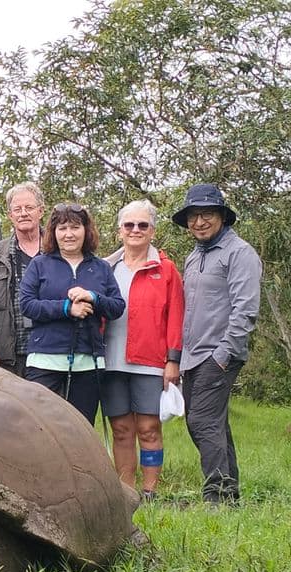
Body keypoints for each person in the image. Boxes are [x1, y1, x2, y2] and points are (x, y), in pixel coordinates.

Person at [172, 184, 262, 505]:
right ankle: (229, 496)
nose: (199, 222)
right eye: (193, 216)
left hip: (219, 354)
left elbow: (245, 310)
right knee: (215, 425)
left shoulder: (240, 253)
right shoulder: (194, 256)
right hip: (193, 355)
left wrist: (224, 354)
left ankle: (216, 498)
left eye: (207, 214)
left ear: (222, 216)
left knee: (201, 421)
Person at [102, 200, 184, 500]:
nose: (135, 230)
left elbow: (176, 317)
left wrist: (173, 360)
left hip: (151, 361)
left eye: (142, 225)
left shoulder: (166, 270)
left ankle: (150, 491)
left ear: (152, 231)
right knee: (121, 428)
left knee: (149, 428)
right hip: (111, 361)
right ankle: (127, 493)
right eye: (129, 225)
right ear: (119, 231)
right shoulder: (106, 268)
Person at [20, 203, 124, 425]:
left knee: (80, 430)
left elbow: (117, 307)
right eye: (62, 228)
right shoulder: (39, 264)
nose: (69, 234)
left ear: (86, 231)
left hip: (88, 362)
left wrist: (93, 297)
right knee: (40, 428)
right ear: (53, 232)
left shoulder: (101, 267)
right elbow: (27, 305)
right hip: (44, 361)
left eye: (75, 227)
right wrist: (67, 308)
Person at [0, 182, 45, 377]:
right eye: (17, 209)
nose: (23, 213)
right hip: (10, 353)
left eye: (29, 208)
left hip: (51, 352)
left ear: (41, 211)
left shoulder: (57, 250)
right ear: (10, 215)